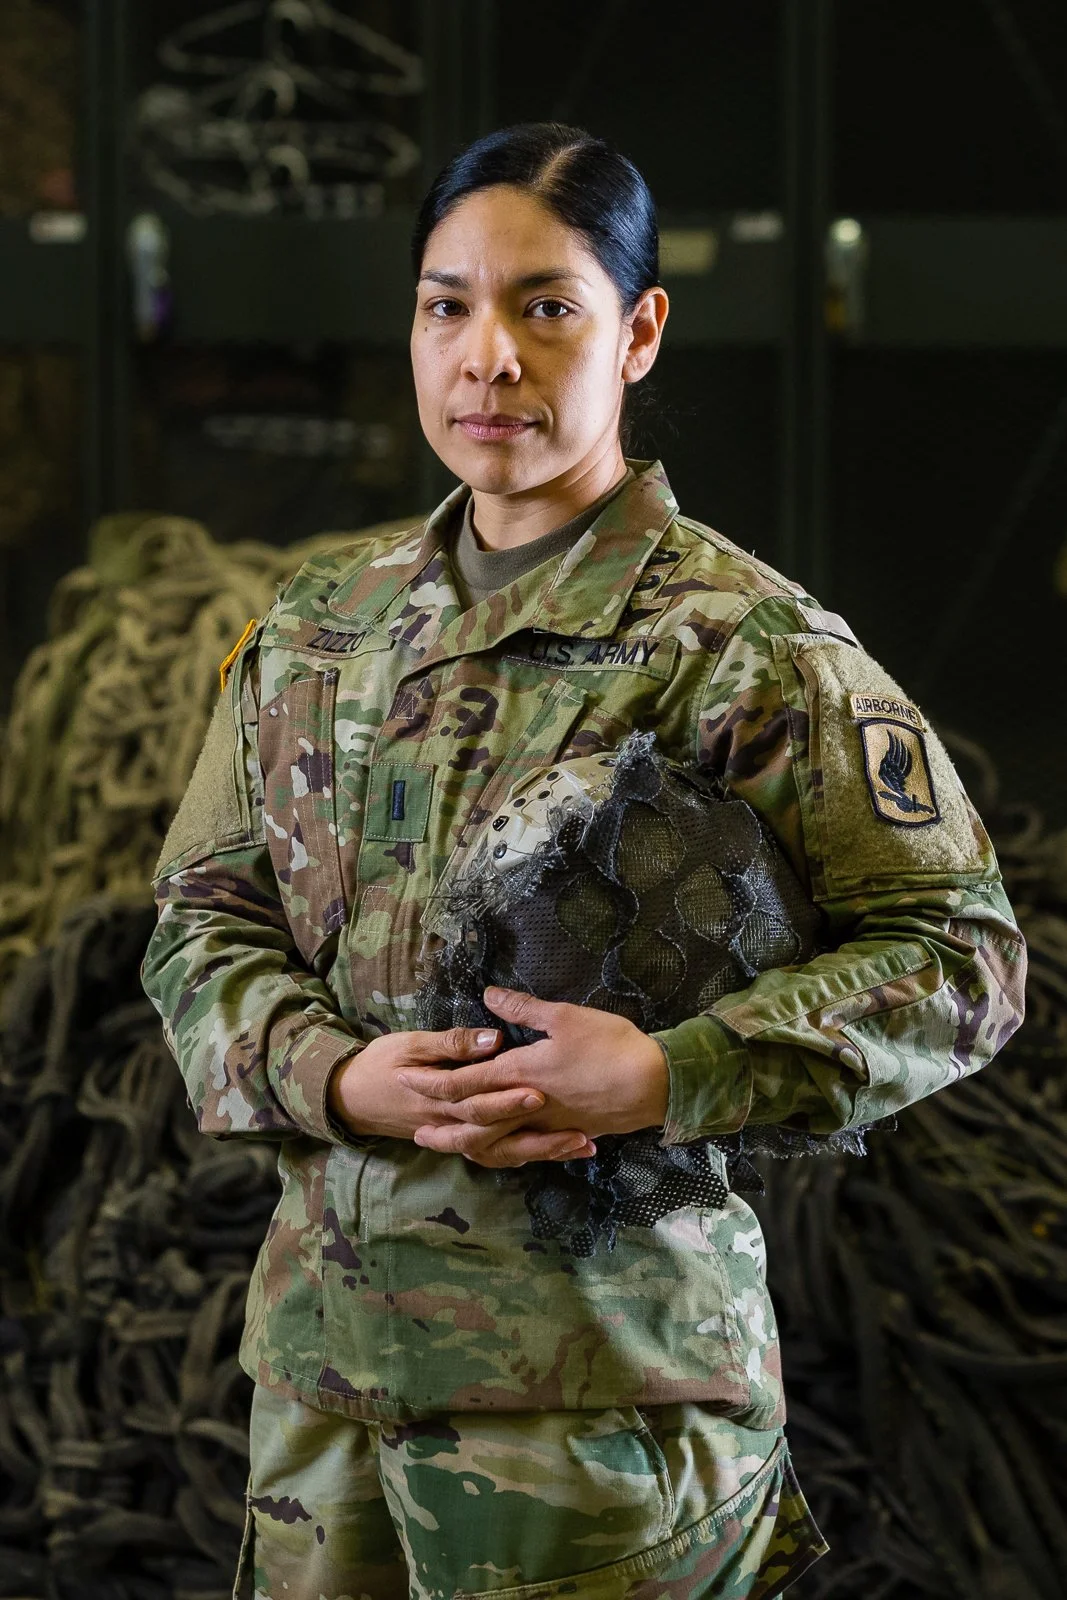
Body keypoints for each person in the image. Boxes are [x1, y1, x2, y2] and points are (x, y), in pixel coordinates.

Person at [141, 123, 1026, 1600]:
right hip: (323, 1403)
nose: (488, 356)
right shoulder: (320, 623)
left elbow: (963, 957)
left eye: (545, 306)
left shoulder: (734, 645)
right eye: (447, 305)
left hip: (603, 1418)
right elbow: (198, 915)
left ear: (638, 331)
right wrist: (325, 1074)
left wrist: (675, 1071)